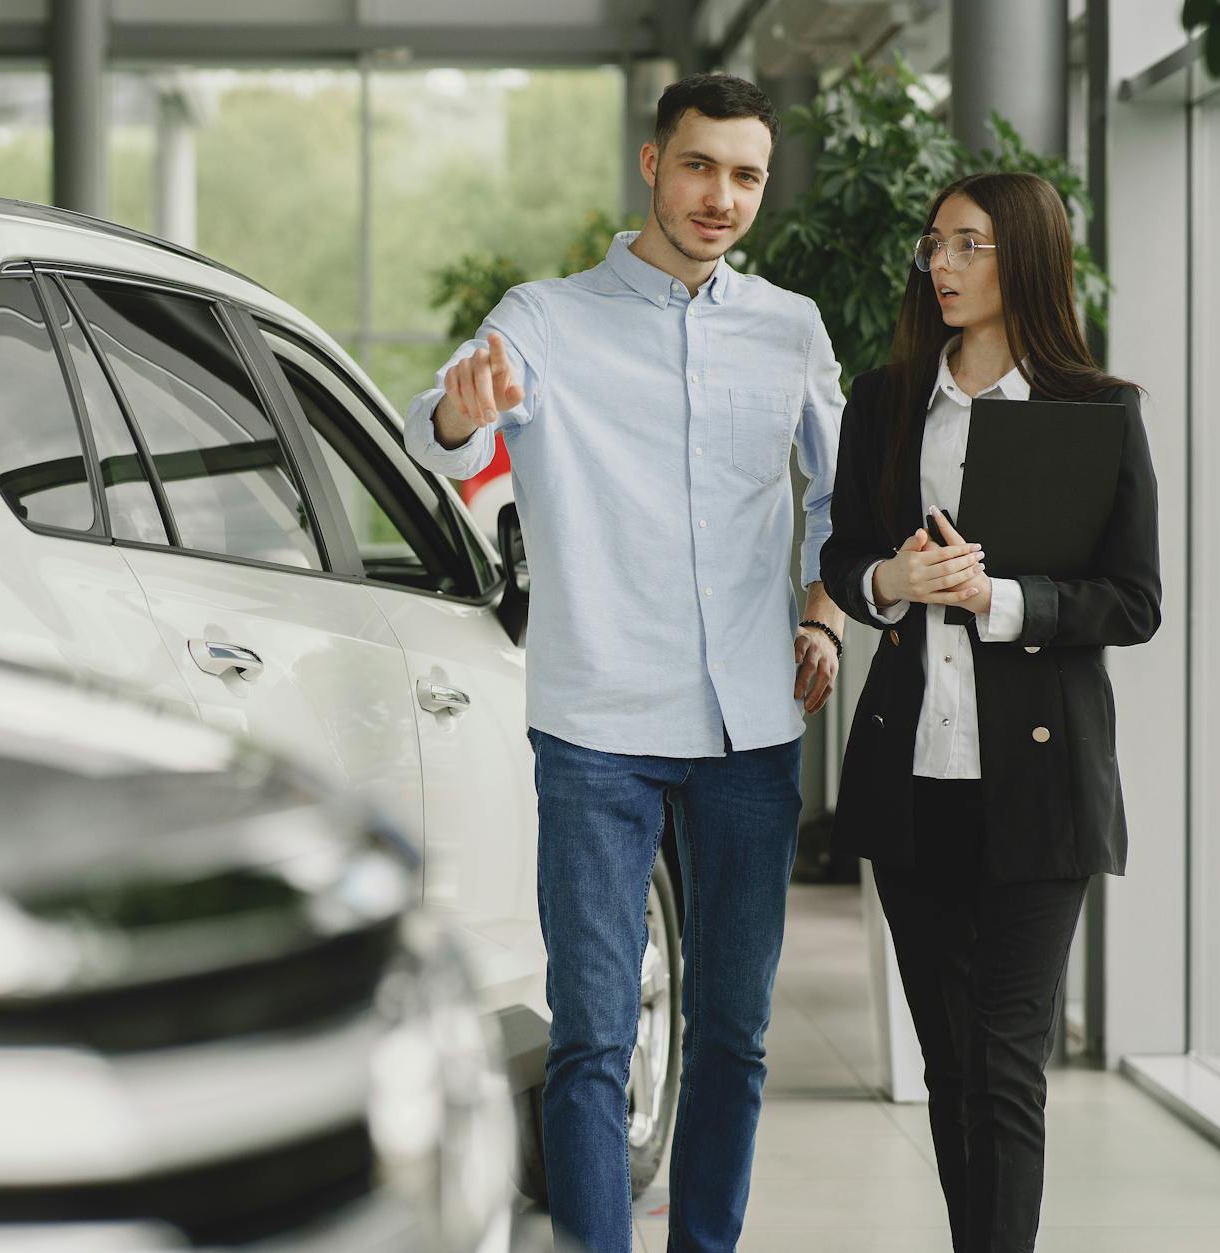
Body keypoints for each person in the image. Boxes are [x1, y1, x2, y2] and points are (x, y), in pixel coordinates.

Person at [403, 72, 846, 1253]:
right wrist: (463, 410)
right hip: (597, 721)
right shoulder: (543, 318)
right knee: (594, 1030)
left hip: (752, 726)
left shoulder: (787, 327)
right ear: (651, 165)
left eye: (744, 174)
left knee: (734, 1033)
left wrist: (825, 612)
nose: (720, 196)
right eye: (698, 166)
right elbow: (430, 431)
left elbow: (841, 504)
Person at [818, 170, 1162, 1253]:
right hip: (910, 775)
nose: (942, 264)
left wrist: (999, 599)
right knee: (949, 1064)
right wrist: (889, 583)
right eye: (934, 244)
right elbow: (838, 551)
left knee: (1006, 1065)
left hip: (1041, 783)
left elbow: (1133, 599)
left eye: (967, 244)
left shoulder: (1096, 409)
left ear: (1023, 255)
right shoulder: (884, 401)